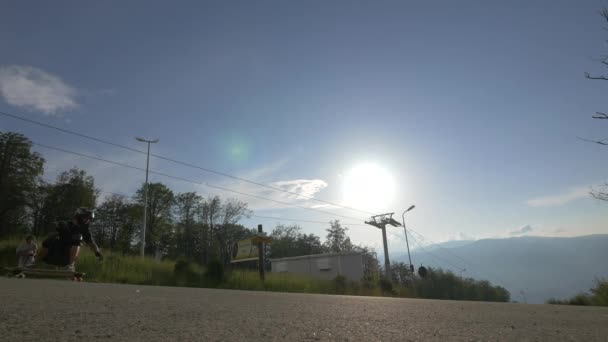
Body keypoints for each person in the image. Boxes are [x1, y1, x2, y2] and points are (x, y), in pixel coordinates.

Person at [37, 207, 103, 272]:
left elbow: (91, 243)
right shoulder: (65, 224)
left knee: (78, 237)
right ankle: (36, 262)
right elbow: (53, 232)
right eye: (86, 218)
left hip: (67, 255)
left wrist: (97, 253)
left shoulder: (85, 230)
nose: (87, 220)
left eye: (89, 219)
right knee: (48, 240)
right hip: (55, 250)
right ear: (78, 216)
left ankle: (70, 266)